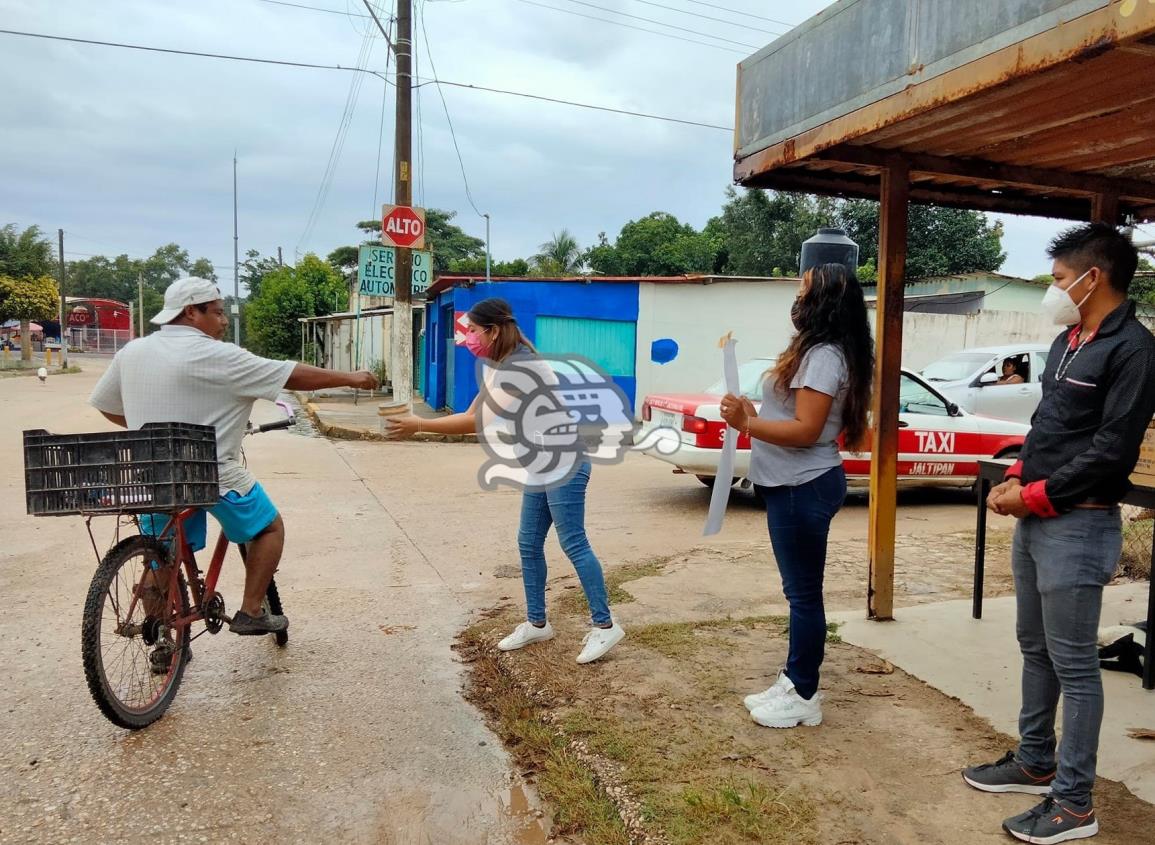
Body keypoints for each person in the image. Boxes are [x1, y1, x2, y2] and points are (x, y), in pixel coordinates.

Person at [964, 223, 1155, 844]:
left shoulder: (1134, 350)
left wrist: (1034, 496)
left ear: (1091, 278)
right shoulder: (1069, 340)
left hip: (1079, 523)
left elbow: (1110, 452)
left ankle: (1074, 804)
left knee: (1076, 666)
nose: (1053, 290)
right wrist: (1015, 473)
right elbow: (1050, 425)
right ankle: (1034, 759)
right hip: (1036, 518)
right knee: (1035, 648)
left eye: (1056, 279)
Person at [90, 277, 378, 637]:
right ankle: (252, 612)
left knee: (162, 550)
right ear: (191, 312)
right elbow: (292, 374)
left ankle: (161, 637)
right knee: (269, 527)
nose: (224, 321)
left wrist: (144, 427)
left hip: (151, 472)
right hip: (212, 473)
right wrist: (352, 378)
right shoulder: (220, 356)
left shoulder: (130, 352)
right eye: (218, 312)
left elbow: (105, 405)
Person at [385, 297, 626, 664]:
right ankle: (537, 622)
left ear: (494, 331)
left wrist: (418, 425)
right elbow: (471, 413)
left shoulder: (522, 366)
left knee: (573, 542)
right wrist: (422, 423)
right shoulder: (500, 365)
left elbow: (476, 424)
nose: (470, 341)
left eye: (475, 333)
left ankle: (606, 626)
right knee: (528, 542)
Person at [719, 263, 874, 729]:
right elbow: (790, 416)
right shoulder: (816, 351)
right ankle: (794, 679)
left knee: (803, 594)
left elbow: (807, 430)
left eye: (804, 290)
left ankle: (804, 693)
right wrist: (751, 413)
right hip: (793, 483)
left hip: (802, 484)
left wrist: (747, 424)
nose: (796, 297)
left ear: (823, 301)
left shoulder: (825, 355)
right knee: (800, 592)